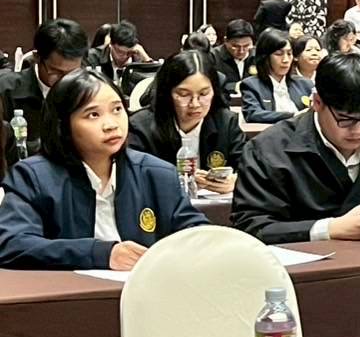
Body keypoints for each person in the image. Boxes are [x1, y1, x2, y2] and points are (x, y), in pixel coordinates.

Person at [0, 70, 206, 270]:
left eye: (117, 110)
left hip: (146, 290)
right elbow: (12, 243)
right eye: (93, 115)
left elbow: (199, 236)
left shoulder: (157, 173)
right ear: (63, 125)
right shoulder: (33, 177)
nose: (111, 125)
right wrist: (101, 254)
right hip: (72, 291)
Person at [232, 50, 360, 245]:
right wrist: (329, 229)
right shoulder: (269, 150)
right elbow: (250, 227)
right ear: (317, 102)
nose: (359, 130)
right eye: (346, 119)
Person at [127, 50, 246, 193]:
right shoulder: (140, 127)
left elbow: (248, 170)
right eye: (184, 94)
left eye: (204, 94)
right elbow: (131, 178)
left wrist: (236, 181)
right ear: (167, 93)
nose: (195, 104)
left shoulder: (226, 123)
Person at [0, 18, 89, 156]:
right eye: (56, 72)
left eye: (73, 72)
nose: (65, 80)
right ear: (36, 58)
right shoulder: (5, 90)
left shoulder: (86, 90)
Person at [240, 28, 315, 125]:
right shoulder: (251, 85)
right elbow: (253, 114)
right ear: (265, 57)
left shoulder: (305, 84)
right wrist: (295, 115)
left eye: (289, 54)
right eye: (279, 54)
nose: (286, 60)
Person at [87, 20, 155, 97]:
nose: (125, 56)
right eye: (120, 52)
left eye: (129, 53)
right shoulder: (92, 57)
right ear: (111, 44)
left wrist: (146, 59)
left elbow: (152, 89)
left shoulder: (138, 59)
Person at [210, 19, 257, 94]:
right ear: (226, 41)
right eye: (236, 46)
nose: (241, 51)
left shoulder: (258, 56)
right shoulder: (213, 57)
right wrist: (234, 87)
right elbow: (210, 85)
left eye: (246, 46)